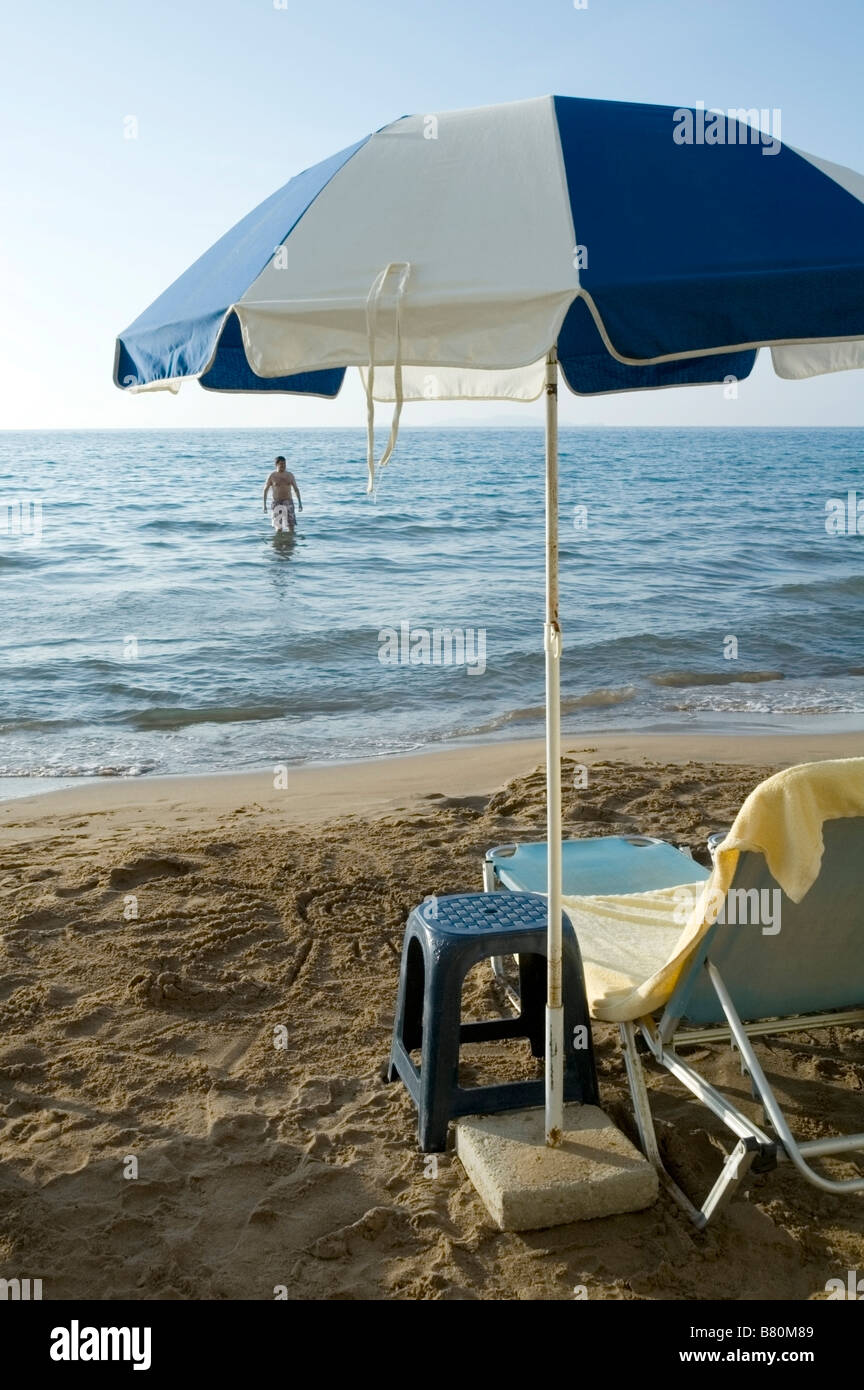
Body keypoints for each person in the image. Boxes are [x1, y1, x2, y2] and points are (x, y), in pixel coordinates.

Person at [263, 456, 302, 531]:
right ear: (276, 464)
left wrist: (300, 503)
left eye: (284, 464)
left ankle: (290, 542)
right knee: (278, 527)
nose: (283, 466)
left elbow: (296, 489)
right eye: (281, 464)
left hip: (288, 501)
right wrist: (264, 505)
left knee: (291, 526)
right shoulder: (272, 476)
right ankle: (279, 542)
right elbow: (265, 490)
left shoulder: (290, 475)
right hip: (277, 502)